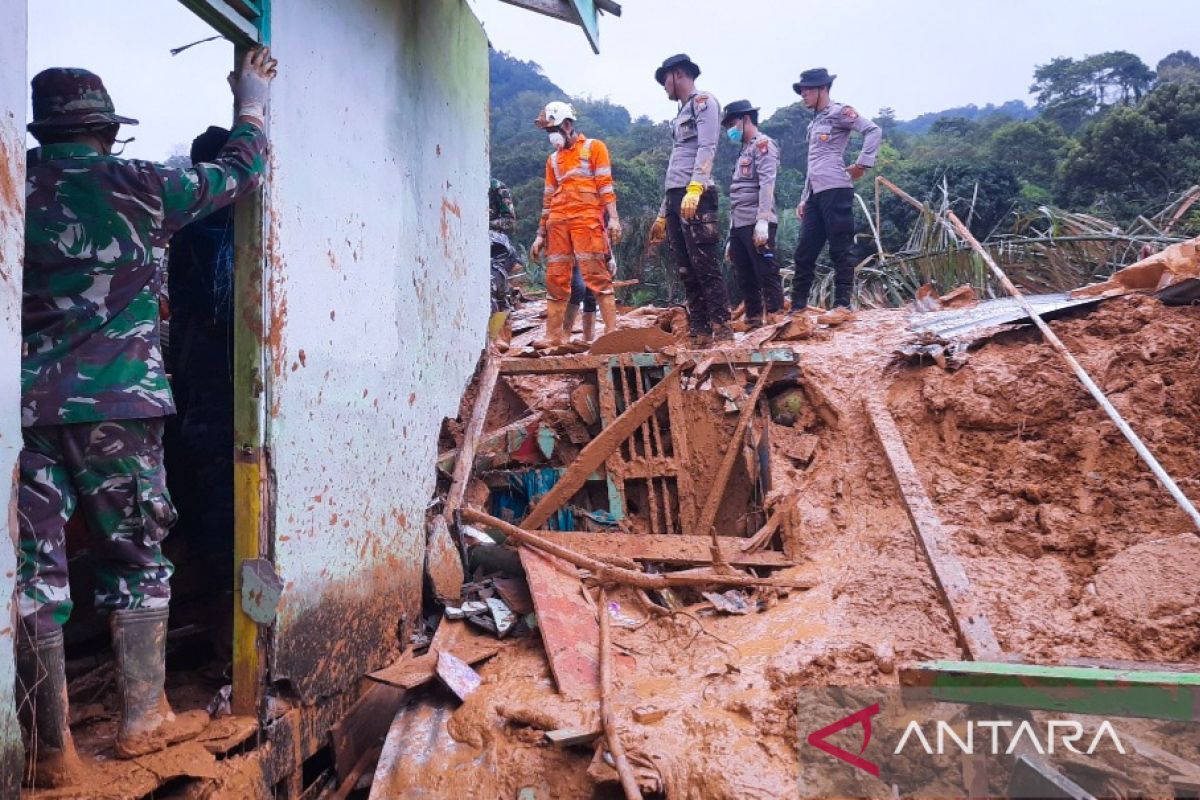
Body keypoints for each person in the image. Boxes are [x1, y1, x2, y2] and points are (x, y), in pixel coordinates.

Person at [17, 48, 277, 785]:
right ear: (103, 130)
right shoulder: (132, 184)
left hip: (25, 412)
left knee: (34, 575)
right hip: (117, 408)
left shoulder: (15, 187)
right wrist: (251, 101)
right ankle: (142, 719)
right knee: (135, 558)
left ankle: (50, 753)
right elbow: (237, 175)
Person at [165, 125, 238, 655]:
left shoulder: (186, 227)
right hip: (221, 373)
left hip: (195, 370)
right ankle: (222, 609)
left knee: (206, 477)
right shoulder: (230, 226)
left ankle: (216, 595)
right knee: (219, 482)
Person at [648, 54, 731, 345]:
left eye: (665, 80)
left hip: (696, 195)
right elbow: (675, 166)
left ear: (679, 74)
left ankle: (722, 329)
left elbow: (708, 145)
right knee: (686, 268)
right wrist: (662, 213)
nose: (664, 87)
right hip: (675, 197)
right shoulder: (679, 115)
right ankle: (700, 330)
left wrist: (696, 187)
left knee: (705, 264)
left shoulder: (703, 103)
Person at [790, 68, 882, 324]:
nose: (804, 95)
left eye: (807, 90)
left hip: (836, 188)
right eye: (802, 91)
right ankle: (797, 309)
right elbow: (813, 163)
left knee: (840, 247)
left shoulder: (840, 112)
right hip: (815, 194)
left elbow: (873, 130)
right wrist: (804, 197)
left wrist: (862, 164)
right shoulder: (814, 122)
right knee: (805, 251)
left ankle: (842, 305)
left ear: (822, 89)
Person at [530, 101, 622, 346]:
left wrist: (613, 218)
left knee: (597, 275)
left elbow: (605, 185)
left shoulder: (594, 148)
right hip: (558, 223)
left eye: (554, 129)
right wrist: (540, 234)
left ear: (568, 125)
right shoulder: (552, 161)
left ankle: (612, 333)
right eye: (548, 131)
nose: (551, 136)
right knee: (556, 276)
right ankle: (553, 337)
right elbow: (548, 197)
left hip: (587, 220)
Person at [721, 99, 784, 328]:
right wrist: (731, 234)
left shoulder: (763, 145)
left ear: (746, 119)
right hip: (739, 223)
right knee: (744, 274)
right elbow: (736, 194)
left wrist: (763, 221)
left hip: (757, 220)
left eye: (732, 123)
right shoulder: (743, 151)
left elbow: (767, 183)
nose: (730, 129)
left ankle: (776, 317)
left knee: (766, 271)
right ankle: (754, 319)